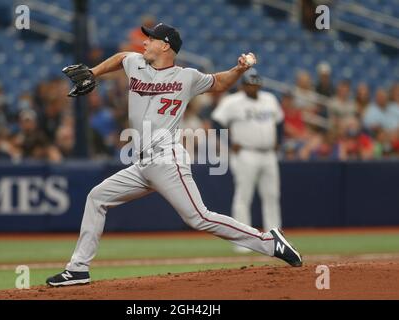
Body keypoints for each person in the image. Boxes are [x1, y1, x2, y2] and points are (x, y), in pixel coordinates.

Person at [46, 23, 302, 287]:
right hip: (142, 163)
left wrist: (239, 69)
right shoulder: (136, 63)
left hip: (167, 159)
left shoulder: (186, 77)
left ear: (165, 45)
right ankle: (78, 269)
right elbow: (121, 58)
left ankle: (269, 242)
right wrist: (94, 72)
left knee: (199, 217)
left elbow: (220, 82)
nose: (144, 42)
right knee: (97, 197)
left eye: (150, 39)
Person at [212, 69, 284, 253]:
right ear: (242, 85)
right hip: (246, 153)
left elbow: (280, 121)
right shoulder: (233, 102)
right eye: (250, 83)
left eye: (256, 83)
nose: (254, 86)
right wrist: (229, 142)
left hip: (268, 154)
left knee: (272, 196)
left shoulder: (269, 99)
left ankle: (276, 239)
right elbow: (216, 122)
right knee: (244, 196)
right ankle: (243, 242)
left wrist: (279, 141)